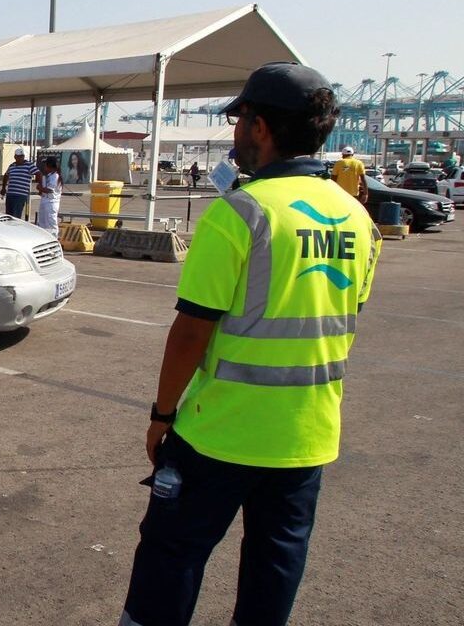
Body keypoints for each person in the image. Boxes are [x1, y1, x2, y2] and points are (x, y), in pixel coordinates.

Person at [120, 62, 382, 626]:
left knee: (173, 550)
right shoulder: (358, 219)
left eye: (239, 120)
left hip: (222, 432)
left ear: (261, 128)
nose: (235, 134)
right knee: (276, 557)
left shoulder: (242, 213)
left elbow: (192, 330)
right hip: (306, 433)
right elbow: (344, 311)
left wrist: (162, 415)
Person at [0, 147, 39, 219]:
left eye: (22, 156)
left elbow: (39, 174)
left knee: (15, 216)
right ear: (15, 157)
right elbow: (6, 175)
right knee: (8, 215)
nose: (21, 158)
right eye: (19, 156)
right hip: (10, 194)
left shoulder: (29, 165)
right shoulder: (12, 166)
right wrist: (3, 188)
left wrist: (40, 185)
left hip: (20, 195)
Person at [35, 156, 61, 237]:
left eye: (45, 164)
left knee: (51, 224)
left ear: (50, 165)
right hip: (44, 201)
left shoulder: (55, 176)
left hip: (51, 202)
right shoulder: (46, 176)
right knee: (42, 224)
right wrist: (41, 189)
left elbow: (50, 190)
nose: (44, 166)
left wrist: (40, 188)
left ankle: (54, 239)